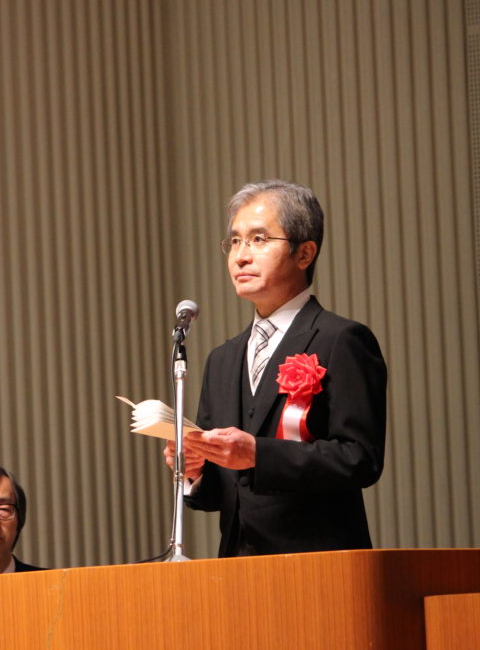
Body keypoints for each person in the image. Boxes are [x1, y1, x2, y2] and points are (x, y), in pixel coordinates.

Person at [166, 180, 387, 556]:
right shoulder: (222, 360)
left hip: (319, 561)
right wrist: (198, 471)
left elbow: (360, 459)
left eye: (259, 239)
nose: (241, 256)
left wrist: (258, 453)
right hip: (239, 567)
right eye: (234, 241)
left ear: (305, 253)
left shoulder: (342, 339)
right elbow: (222, 495)